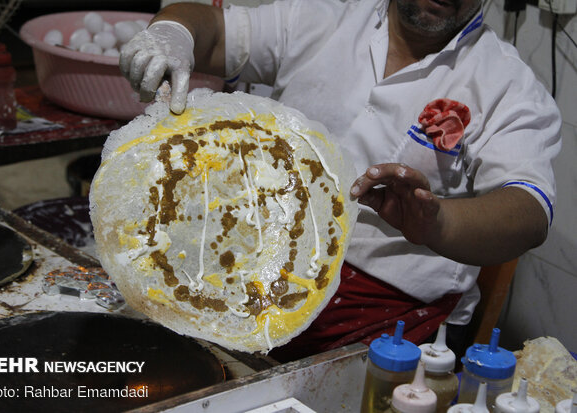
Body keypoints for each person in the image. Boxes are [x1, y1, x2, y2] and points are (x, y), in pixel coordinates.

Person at [119, 0, 562, 361]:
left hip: (386, 317)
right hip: (254, 268)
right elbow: (212, 27)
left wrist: (436, 222)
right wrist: (173, 34)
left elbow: (528, 212)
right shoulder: (322, 19)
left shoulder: (508, 84)